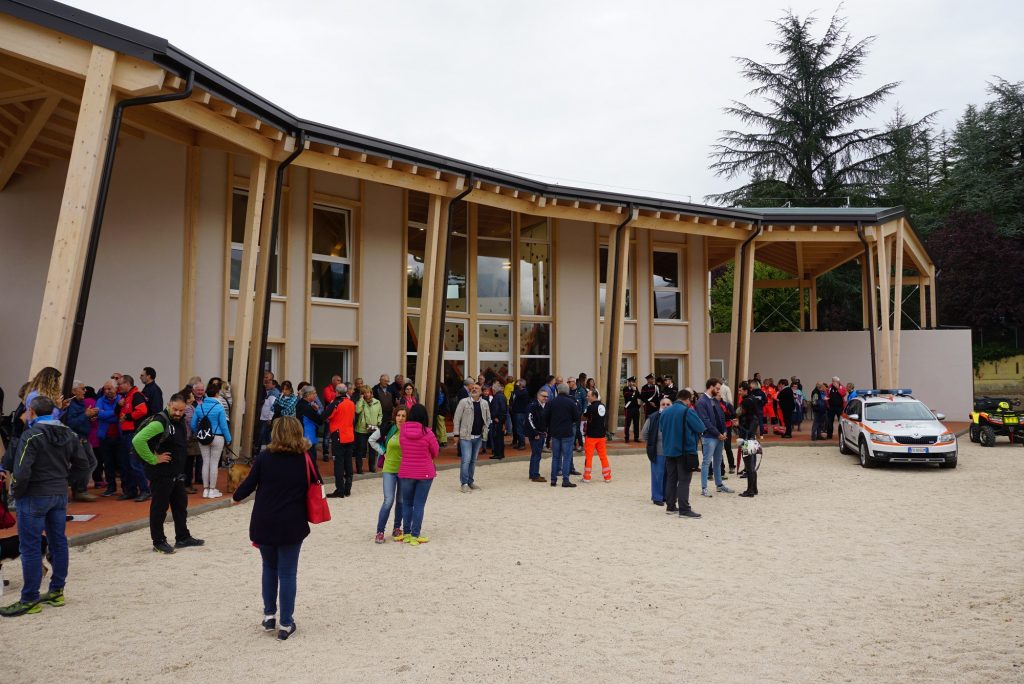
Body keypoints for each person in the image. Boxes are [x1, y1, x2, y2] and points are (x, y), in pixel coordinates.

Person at [0, 395, 90, 617]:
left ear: (31, 411)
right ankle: (57, 590)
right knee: (58, 542)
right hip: (58, 494)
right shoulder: (69, 433)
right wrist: (67, 482)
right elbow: (84, 464)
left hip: (33, 495)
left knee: (29, 547)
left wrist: (16, 494)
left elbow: (21, 471)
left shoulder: (31, 435)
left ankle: (29, 598)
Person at [232, 416, 319, 641]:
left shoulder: (265, 457)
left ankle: (269, 614)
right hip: (292, 521)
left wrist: (236, 497)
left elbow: (249, 483)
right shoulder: (305, 457)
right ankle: (286, 622)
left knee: (269, 568)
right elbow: (315, 482)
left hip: (265, 520)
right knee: (288, 573)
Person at [132, 394, 205, 554]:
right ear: (168, 405)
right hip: (161, 473)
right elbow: (138, 440)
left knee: (180, 505)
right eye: (175, 409)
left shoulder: (178, 421)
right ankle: (158, 541)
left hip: (176, 473)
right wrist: (153, 459)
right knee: (159, 508)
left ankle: (182, 537)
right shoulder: (160, 422)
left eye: (181, 410)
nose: (178, 413)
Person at [398, 405, 439, 546]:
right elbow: (435, 451)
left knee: (407, 503)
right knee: (419, 504)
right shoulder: (428, 432)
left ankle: (407, 533)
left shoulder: (403, 431)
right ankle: (415, 534)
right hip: (425, 472)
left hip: (407, 470)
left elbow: (402, 446)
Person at [659, 390, 703, 519]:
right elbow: (700, 427)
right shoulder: (688, 411)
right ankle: (684, 509)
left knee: (671, 479)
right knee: (684, 480)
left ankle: (670, 506)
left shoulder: (665, 412)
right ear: (688, 399)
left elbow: (662, 429)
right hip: (684, 450)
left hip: (669, 450)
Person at [371, 406, 407, 543]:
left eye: (404, 416)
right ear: (394, 416)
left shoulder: (409, 430)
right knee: (388, 501)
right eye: (398, 415)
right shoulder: (388, 428)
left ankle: (397, 528)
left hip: (404, 470)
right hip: (389, 469)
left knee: (401, 501)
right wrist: (383, 451)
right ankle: (380, 531)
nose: (401, 418)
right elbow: (372, 440)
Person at [192, 381, 232, 499]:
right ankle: (212, 489)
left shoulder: (199, 407)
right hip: (218, 436)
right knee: (214, 463)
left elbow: (193, 424)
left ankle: (205, 490)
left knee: (206, 462)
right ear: (216, 394)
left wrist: (198, 433)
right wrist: (228, 439)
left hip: (203, 437)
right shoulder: (219, 407)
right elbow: (223, 425)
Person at [695, 378, 734, 498]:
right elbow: (705, 421)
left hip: (719, 436)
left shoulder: (715, 400)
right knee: (707, 462)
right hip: (709, 437)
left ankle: (719, 484)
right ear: (710, 387)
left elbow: (721, 416)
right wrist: (718, 433)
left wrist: (725, 431)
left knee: (718, 462)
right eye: (717, 388)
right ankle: (704, 488)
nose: (718, 391)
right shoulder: (701, 402)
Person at [116, 374, 151, 502]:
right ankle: (130, 491)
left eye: (120, 384)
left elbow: (142, 411)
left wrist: (128, 417)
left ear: (127, 384)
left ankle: (145, 490)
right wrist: (119, 406)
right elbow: (119, 414)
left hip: (133, 432)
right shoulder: (126, 397)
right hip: (125, 432)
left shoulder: (136, 395)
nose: (118, 387)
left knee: (134, 463)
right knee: (125, 463)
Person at [62, 381, 99, 502]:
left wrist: (90, 416)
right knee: (85, 464)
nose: (85, 391)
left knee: (91, 462)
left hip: (83, 437)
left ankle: (79, 489)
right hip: (76, 438)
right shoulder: (70, 405)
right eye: (82, 389)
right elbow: (70, 423)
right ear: (74, 391)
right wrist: (85, 415)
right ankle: (74, 487)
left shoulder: (80, 403)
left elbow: (80, 419)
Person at [453, 384, 489, 492]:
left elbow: (488, 418)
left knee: (473, 460)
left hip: (478, 437)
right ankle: (464, 483)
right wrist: (456, 434)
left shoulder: (485, 403)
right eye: (472, 388)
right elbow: (457, 418)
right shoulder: (464, 402)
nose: (474, 389)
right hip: (465, 437)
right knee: (466, 460)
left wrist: (485, 431)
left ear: (481, 392)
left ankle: (470, 482)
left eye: (476, 388)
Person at [544, 383, 580, 488]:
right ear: (567, 391)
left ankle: (553, 480)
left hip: (555, 432)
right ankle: (565, 480)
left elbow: (545, 416)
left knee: (555, 457)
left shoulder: (551, 402)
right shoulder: (571, 402)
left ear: (558, 391)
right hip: (567, 432)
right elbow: (577, 417)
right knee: (567, 457)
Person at [641, 396, 673, 505]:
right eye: (663, 404)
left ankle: (665, 496)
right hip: (658, 452)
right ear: (659, 406)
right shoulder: (653, 417)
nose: (665, 406)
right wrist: (652, 442)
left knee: (669, 475)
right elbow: (644, 434)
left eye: (668, 404)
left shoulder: (675, 417)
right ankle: (657, 497)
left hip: (672, 452)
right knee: (658, 475)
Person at [325, 384, 354, 496]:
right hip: (349, 435)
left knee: (339, 464)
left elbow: (325, 416)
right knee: (348, 463)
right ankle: (348, 488)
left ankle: (340, 490)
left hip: (339, 436)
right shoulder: (351, 403)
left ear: (337, 392)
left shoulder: (335, 403)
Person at [95, 381, 122, 497]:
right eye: (105, 389)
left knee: (122, 463)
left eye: (110, 388)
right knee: (108, 463)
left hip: (120, 436)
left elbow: (120, 416)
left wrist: (107, 414)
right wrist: (115, 413)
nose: (108, 391)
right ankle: (111, 487)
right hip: (105, 437)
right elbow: (99, 415)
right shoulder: (100, 401)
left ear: (115, 389)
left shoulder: (121, 399)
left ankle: (126, 488)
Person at [735, 382, 761, 497]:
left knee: (749, 465)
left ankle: (750, 490)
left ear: (746, 390)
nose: (739, 393)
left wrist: (737, 425)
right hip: (752, 437)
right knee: (752, 464)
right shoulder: (753, 400)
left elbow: (738, 413)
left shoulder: (746, 402)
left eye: (740, 390)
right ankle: (754, 488)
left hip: (747, 437)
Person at [581, 389, 612, 482]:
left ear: (594, 396)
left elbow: (583, 417)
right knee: (603, 456)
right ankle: (607, 477)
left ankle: (587, 477)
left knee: (589, 457)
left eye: (588, 396)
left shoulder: (590, 407)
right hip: (601, 435)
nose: (587, 397)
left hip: (591, 436)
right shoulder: (603, 406)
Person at [355, 385, 383, 473]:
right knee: (361, 449)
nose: (367, 394)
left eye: (368, 392)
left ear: (371, 393)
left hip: (373, 428)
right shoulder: (361, 402)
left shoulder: (377, 402)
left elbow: (380, 414)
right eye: (364, 393)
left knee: (372, 449)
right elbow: (357, 411)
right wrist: (361, 400)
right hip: (362, 429)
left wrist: (378, 422)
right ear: (362, 394)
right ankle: (359, 469)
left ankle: (372, 467)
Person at [525, 389, 549, 483]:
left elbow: (544, 420)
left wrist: (545, 431)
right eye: (543, 396)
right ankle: (535, 475)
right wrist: (535, 433)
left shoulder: (544, 406)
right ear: (538, 396)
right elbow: (529, 420)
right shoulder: (532, 406)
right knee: (536, 454)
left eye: (547, 396)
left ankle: (533, 473)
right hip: (535, 434)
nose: (545, 398)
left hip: (541, 433)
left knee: (536, 454)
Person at [488, 381, 507, 461]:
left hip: (498, 420)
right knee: (500, 438)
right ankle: (500, 454)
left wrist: (495, 417)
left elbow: (495, 409)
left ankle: (498, 454)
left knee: (497, 437)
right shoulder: (502, 396)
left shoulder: (497, 397)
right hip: (501, 419)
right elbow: (504, 409)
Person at [509, 379, 530, 450]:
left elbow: (517, 393)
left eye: (517, 383)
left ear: (521, 384)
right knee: (517, 428)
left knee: (519, 428)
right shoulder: (519, 391)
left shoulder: (524, 392)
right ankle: (519, 443)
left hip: (520, 413)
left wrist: (517, 387)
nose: (516, 384)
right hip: (516, 412)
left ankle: (522, 444)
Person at [570, 377, 587, 452]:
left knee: (576, 429)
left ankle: (580, 444)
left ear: (573, 382)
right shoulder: (568, 391)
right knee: (572, 429)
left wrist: (583, 412)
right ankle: (573, 445)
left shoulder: (581, 390)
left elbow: (585, 401)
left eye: (569, 382)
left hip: (578, 413)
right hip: (570, 413)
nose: (568, 383)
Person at [622, 377, 640, 443]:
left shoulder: (636, 388)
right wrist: (634, 391)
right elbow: (627, 397)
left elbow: (639, 396)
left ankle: (636, 437)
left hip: (635, 408)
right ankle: (627, 437)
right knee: (627, 424)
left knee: (636, 423)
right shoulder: (625, 389)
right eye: (631, 382)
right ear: (628, 382)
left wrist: (636, 390)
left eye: (634, 382)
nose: (633, 383)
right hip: (629, 408)